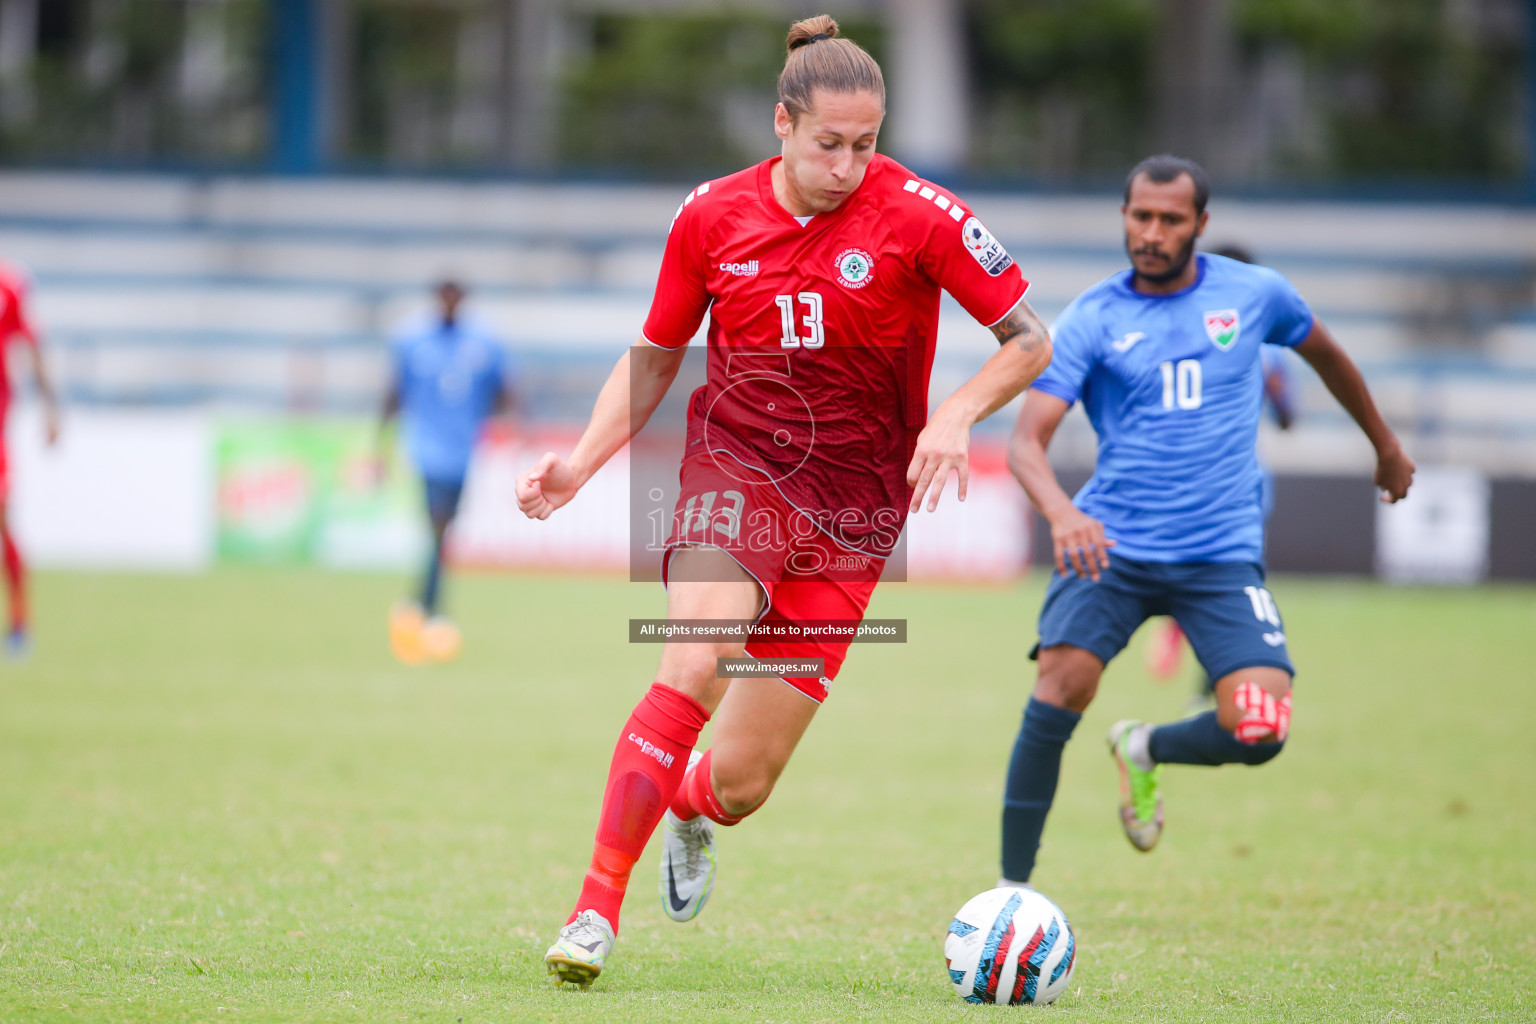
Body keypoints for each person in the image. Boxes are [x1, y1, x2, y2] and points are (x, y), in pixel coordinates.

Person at [517, 15, 1053, 988]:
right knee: (696, 656)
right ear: (781, 123)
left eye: (868, 142)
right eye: (829, 143)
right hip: (738, 472)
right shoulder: (710, 218)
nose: (851, 165)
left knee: (742, 783)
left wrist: (955, 415)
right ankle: (595, 908)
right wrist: (581, 463)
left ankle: (686, 809)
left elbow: (1029, 337)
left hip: (853, 519)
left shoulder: (923, 214)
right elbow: (654, 359)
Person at [997, 155, 1414, 888]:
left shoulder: (1255, 294)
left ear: (1201, 225)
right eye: (1139, 217)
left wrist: (1385, 446)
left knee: (1258, 731)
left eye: (1170, 220)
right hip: (1111, 548)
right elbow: (1025, 442)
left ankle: (1146, 747)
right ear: (1123, 216)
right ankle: (1010, 892)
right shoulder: (1094, 315)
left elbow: (1328, 355)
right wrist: (1061, 514)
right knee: (1060, 689)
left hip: (1220, 557)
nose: (1152, 233)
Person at [1144, 243, 1299, 699]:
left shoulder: (1269, 346)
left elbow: (1288, 419)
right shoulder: (1183, 334)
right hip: (1191, 478)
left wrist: (1278, 393)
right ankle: (1183, 631)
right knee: (1199, 569)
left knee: (1237, 572)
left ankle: (1211, 676)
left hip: (1246, 479)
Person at [376, 279, 511, 664]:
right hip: (426, 450)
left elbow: (503, 389)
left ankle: (417, 607)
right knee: (438, 526)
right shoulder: (411, 340)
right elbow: (393, 392)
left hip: (463, 451)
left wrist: (511, 421)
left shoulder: (484, 342)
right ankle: (429, 611)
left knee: (443, 531)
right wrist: (379, 442)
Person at [0, 260, 60, 659]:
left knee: (3, 517)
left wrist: (51, 406)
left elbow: (33, 344)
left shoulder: (10, 285)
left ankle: (21, 623)